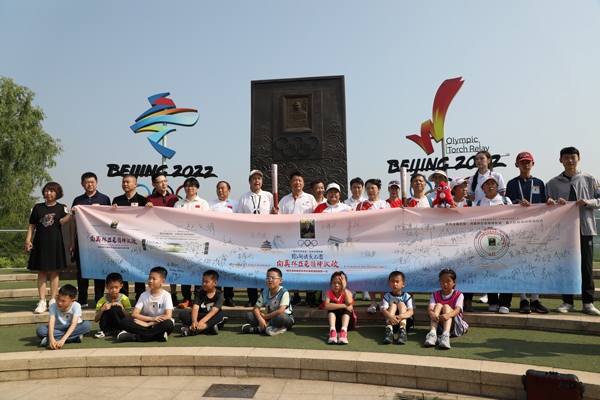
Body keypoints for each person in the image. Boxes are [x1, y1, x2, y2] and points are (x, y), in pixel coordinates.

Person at [546, 146, 600, 315]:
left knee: (586, 267)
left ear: (579, 159)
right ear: (560, 160)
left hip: (585, 229)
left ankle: (588, 302)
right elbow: (546, 205)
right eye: (566, 157)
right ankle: (567, 302)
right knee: (566, 266)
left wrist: (588, 202)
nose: (570, 160)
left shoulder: (590, 179)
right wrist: (553, 203)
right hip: (563, 232)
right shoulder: (552, 183)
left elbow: (599, 200)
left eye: (573, 157)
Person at [505, 152, 549, 314]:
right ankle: (523, 299)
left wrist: (550, 202)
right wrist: (517, 202)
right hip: (518, 229)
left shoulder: (539, 183)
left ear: (533, 163)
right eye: (522, 162)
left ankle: (535, 299)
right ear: (517, 165)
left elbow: (544, 202)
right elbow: (507, 203)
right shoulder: (512, 183)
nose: (526, 165)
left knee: (536, 263)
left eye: (528, 162)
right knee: (520, 263)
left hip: (536, 228)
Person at [26, 182, 73, 314]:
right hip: (40, 243)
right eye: (47, 190)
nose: (49, 193)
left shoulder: (61, 207)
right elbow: (32, 225)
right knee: (41, 272)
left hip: (55, 243)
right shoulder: (38, 207)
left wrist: (70, 214)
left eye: (52, 191)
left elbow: (62, 222)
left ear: (57, 193)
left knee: (54, 272)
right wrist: (28, 240)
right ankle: (42, 301)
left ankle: (52, 300)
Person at [70, 172, 111, 307]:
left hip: (99, 242)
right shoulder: (78, 200)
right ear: (82, 184)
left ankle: (99, 299)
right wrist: (72, 242)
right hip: (82, 242)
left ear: (96, 183)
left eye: (92, 182)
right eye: (87, 182)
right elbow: (73, 222)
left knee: (99, 270)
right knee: (82, 272)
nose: (90, 184)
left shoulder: (105, 199)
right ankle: (82, 300)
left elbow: (109, 220)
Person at [278, 171, 318, 306]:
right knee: (292, 266)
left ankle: (309, 294)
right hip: (290, 237)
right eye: (295, 180)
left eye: (300, 180)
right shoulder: (284, 200)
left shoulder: (310, 198)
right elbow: (279, 218)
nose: (297, 183)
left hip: (307, 237)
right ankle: (295, 295)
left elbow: (317, 216)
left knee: (307, 266)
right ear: (290, 183)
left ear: (303, 183)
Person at [238, 170, 275, 306]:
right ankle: (252, 298)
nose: (257, 181)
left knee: (265, 268)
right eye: (254, 178)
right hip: (250, 239)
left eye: (259, 178)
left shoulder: (269, 196)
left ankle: (265, 298)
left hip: (266, 238)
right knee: (251, 269)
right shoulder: (244, 197)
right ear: (250, 181)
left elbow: (274, 215)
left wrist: (275, 214)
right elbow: (239, 218)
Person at [477, 175, 512, 313]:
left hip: (503, 241)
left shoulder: (505, 200)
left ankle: (505, 303)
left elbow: (515, 217)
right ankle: (492, 301)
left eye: (493, 183)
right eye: (487, 184)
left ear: (497, 186)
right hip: (484, 241)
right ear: (482, 187)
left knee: (505, 271)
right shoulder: (478, 203)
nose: (491, 186)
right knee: (489, 271)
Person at [172, 177, 209, 308]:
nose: (190, 188)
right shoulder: (178, 204)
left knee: (198, 271)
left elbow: (206, 222)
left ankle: (198, 299)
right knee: (185, 271)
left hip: (198, 242)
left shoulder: (203, 203)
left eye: (192, 186)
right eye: (187, 186)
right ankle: (186, 298)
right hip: (183, 242)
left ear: (197, 188)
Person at [144, 172, 179, 306]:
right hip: (156, 238)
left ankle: (173, 294)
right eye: (160, 182)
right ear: (154, 184)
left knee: (173, 265)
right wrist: (146, 208)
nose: (164, 184)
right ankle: (155, 293)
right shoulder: (149, 199)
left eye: (165, 181)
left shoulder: (174, 198)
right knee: (157, 267)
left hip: (173, 238)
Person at [356, 178, 390, 313]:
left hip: (382, 244)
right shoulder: (360, 206)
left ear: (379, 189)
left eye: (373, 188)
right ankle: (373, 302)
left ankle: (382, 301)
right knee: (370, 273)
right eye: (368, 188)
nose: (370, 191)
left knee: (382, 273)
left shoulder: (385, 204)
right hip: (367, 244)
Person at [111, 174, 148, 299]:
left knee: (138, 267)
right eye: (123, 182)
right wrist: (112, 211)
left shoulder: (143, 200)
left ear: (135, 184)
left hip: (138, 241)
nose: (125, 184)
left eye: (128, 182)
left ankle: (139, 297)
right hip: (122, 241)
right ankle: (123, 297)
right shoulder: (117, 200)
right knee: (122, 268)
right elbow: (112, 220)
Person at [117, 266, 174, 342]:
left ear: (162, 281)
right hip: (145, 322)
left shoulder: (166, 295)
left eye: (154, 279)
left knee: (168, 324)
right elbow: (134, 314)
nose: (150, 281)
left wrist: (151, 324)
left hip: (160, 323)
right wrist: (150, 320)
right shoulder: (143, 295)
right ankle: (158, 335)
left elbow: (168, 316)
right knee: (125, 322)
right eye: (149, 278)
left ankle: (134, 337)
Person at [209, 180, 238, 306]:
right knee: (216, 269)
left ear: (229, 190)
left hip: (231, 242)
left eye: (223, 188)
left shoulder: (236, 204)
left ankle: (229, 297)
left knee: (229, 269)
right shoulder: (210, 204)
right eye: (218, 188)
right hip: (215, 242)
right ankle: (217, 296)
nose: (220, 190)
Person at [36, 284, 92, 349]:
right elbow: (51, 322)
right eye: (58, 299)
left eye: (63, 301)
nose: (59, 303)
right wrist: (51, 339)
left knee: (87, 325)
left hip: (74, 327)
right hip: (59, 327)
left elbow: (74, 323)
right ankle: (74, 337)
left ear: (72, 301)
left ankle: (51, 340)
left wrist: (63, 340)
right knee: (40, 330)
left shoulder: (76, 306)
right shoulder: (53, 306)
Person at [423, 268, 468, 350]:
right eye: (442, 281)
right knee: (438, 305)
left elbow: (457, 310)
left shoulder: (458, 294)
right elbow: (430, 307)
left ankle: (446, 336)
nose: (445, 284)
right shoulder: (435, 294)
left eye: (448, 281)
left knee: (446, 306)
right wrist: (431, 313)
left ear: (454, 282)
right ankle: (433, 334)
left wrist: (448, 315)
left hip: (455, 326)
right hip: (440, 325)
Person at [241, 267, 294, 336]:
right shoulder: (265, 291)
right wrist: (260, 319)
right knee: (249, 315)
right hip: (269, 318)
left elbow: (280, 311)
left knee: (282, 317)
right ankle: (272, 328)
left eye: (273, 278)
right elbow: (256, 308)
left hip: (284, 318)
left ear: (280, 280)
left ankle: (259, 328)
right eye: (268, 278)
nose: (270, 280)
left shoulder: (284, 292)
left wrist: (265, 317)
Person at [180, 270, 228, 336]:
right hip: (200, 315)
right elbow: (195, 308)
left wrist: (202, 322)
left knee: (223, 315)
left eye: (207, 282)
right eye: (203, 281)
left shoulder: (219, 294)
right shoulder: (199, 293)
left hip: (211, 317)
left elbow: (214, 311)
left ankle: (193, 330)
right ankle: (209, 329)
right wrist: (194, 321)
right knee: (183, 314)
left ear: (215, 283)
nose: (204, 284)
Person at [344, 177, 370, 301]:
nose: (356, 190)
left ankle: (365, 291)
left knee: (364, 265)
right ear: (350, 188)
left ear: (362, 188)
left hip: (364, 238)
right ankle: (352, 290)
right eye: (354, 187)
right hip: (350, 238)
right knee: (351, 265)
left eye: (359, 187)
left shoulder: (366, 202)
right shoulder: (344, 203)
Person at [93, 272, 132, 338]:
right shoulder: (101, 301)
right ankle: (103, 330)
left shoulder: (125, 299)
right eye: (111, 287)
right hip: (108, 325)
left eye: (116, 287)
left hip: (120, 323)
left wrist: (122, 307)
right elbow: (96, 320)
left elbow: (129, 317)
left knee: (115, 308)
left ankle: (122, 329)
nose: (114, 290)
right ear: (106, 287)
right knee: (106, 307)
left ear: (121, 286)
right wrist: (102, 309)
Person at [381, 271, 414, 345]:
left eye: (397, 282)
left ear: (403, 284)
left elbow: (411, 311)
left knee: (401, 304)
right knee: (393, 305)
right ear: (389, 283)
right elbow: (384, 310)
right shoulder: (386, 296)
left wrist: (400, 316)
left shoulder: (407, 296)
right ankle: (389, 330)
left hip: (405, 322)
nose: (395, 284)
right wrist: (391, 317)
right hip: (392, 321)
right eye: (392, 281)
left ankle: (402, 331)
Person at [324, 271, 355, 345]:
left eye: (340, 283)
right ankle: (332, 331)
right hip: (336, 324)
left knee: (346, 308)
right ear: (331, 284)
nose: (336, 285)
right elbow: (327, 306)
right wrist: (344, 305)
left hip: (348, 324)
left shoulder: (347, 292)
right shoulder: (329, 293)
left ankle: (343, 332)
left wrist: (344, 287)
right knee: (332, 306)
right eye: (334, 283)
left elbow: (349, 302)